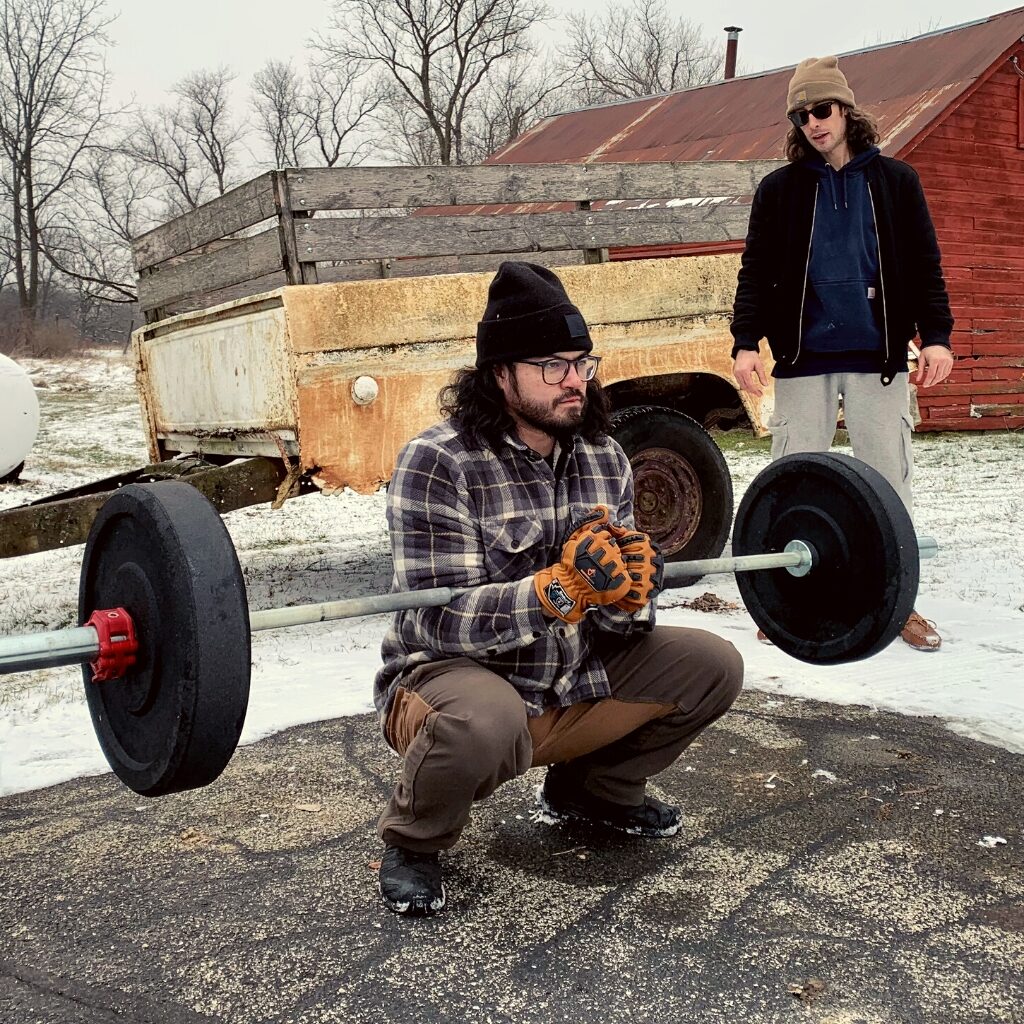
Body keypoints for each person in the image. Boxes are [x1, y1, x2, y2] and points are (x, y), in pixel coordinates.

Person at [373, 261, 744, 915]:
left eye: (581, 361)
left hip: (570, 676)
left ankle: (592, 793)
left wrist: (634, 592)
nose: (576, 379)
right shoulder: (438, 462)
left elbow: (618, 620)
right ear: (499, 373)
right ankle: (414, 840)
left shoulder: (603, 456)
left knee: (715, 666)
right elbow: (440, 620)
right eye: (552, 365)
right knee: (483, 723)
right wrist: (559, 591)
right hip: (454, 680)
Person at [730, 55, 955, 652]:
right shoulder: (779, 191)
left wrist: (937, 336)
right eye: (801, 114)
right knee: (792, 479)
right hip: (804, 358)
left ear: (847, 111)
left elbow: (926, 265)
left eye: (822, 109)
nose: (813, 122)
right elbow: (755, 271)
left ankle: (898, 602)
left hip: (877, 357)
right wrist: (745, 342)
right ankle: (783, 604)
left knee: (888, 481)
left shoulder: (896, 182)